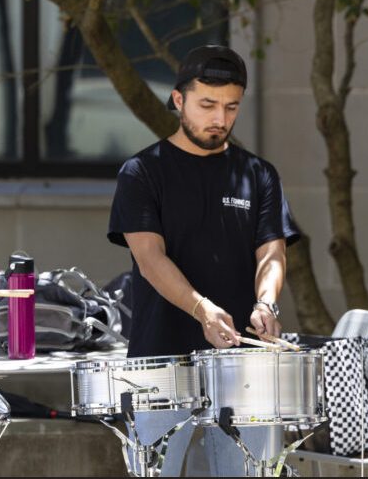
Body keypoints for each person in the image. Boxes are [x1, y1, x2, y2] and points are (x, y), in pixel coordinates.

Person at [107, 45, 299, 476]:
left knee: (251, 473)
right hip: (158, 361)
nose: (219, 119)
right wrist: (201, 308)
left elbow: (272, 252)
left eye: (231, 107)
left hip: (242, 364)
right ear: (179, 100)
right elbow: (150, 257)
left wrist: (266, 303)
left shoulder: (258, 174)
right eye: (207, 104)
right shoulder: (141, 172)